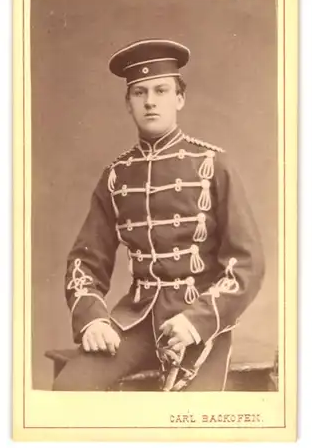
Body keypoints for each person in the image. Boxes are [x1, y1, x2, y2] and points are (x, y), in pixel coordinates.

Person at [53, 38, 265, 392]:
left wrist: (196, 320)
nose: (150, 101)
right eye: (139, 93)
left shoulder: (213, 165)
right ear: (128, 104)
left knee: (186, 424)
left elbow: (247, 264)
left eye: (161, 90)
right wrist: (92, 320)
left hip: (197, 325)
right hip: (135, 321)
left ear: (179, 99)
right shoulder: (117, 175)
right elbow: (84, 263)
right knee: (68, 390)